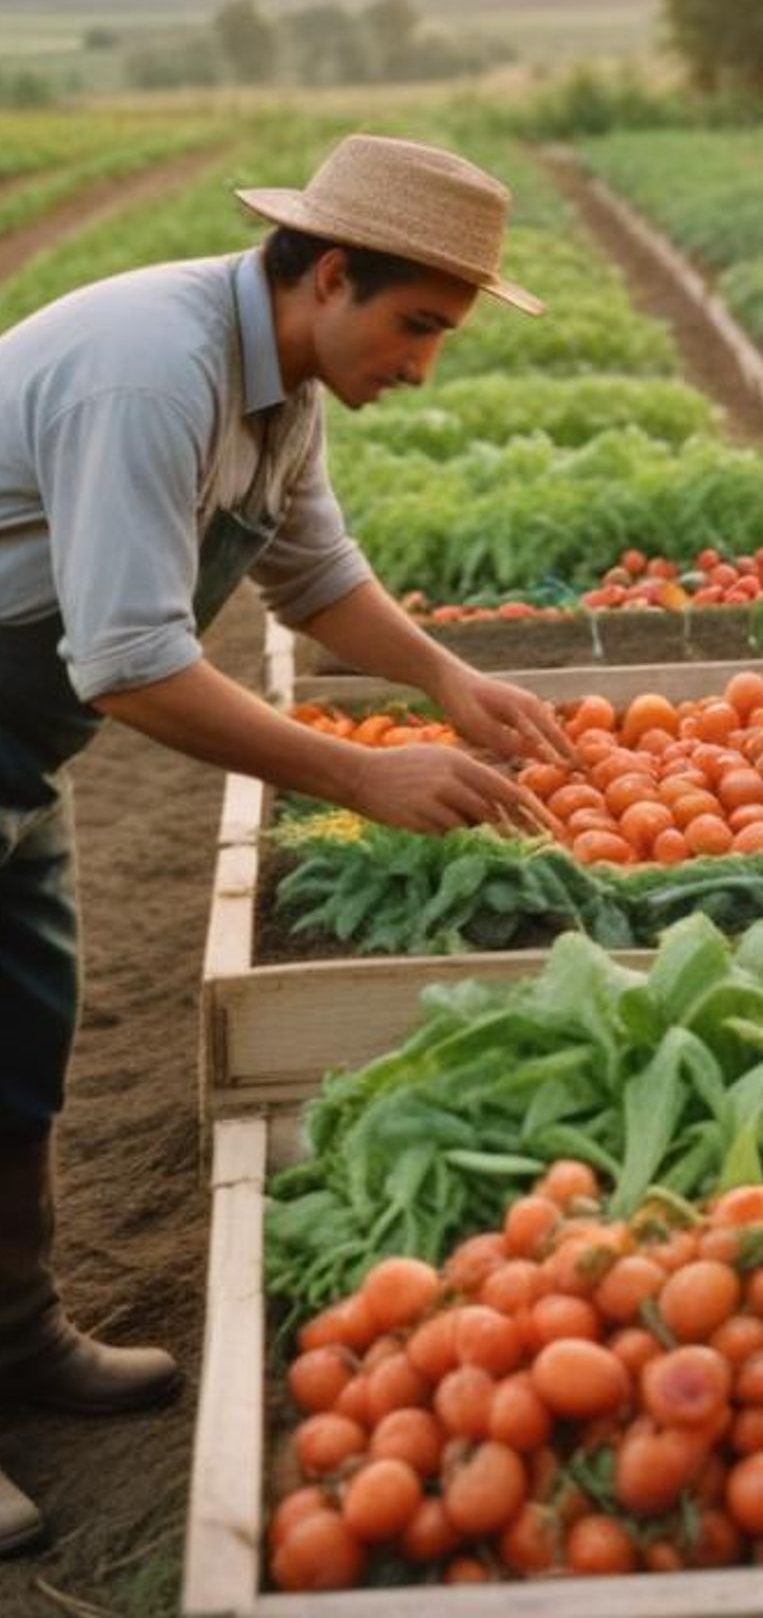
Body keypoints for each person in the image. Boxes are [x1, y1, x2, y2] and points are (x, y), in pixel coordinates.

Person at [0, 132, 573, 1551]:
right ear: (328, 275)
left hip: (16, 745)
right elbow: (129, 664)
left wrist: (446, 678)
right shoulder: (156, 369)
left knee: (19, 1038)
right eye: (418, 324)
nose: (427, 363)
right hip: (33, 706)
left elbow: (308, 571)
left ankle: (16, 1337)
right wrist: (351, 778)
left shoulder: (278, 382)